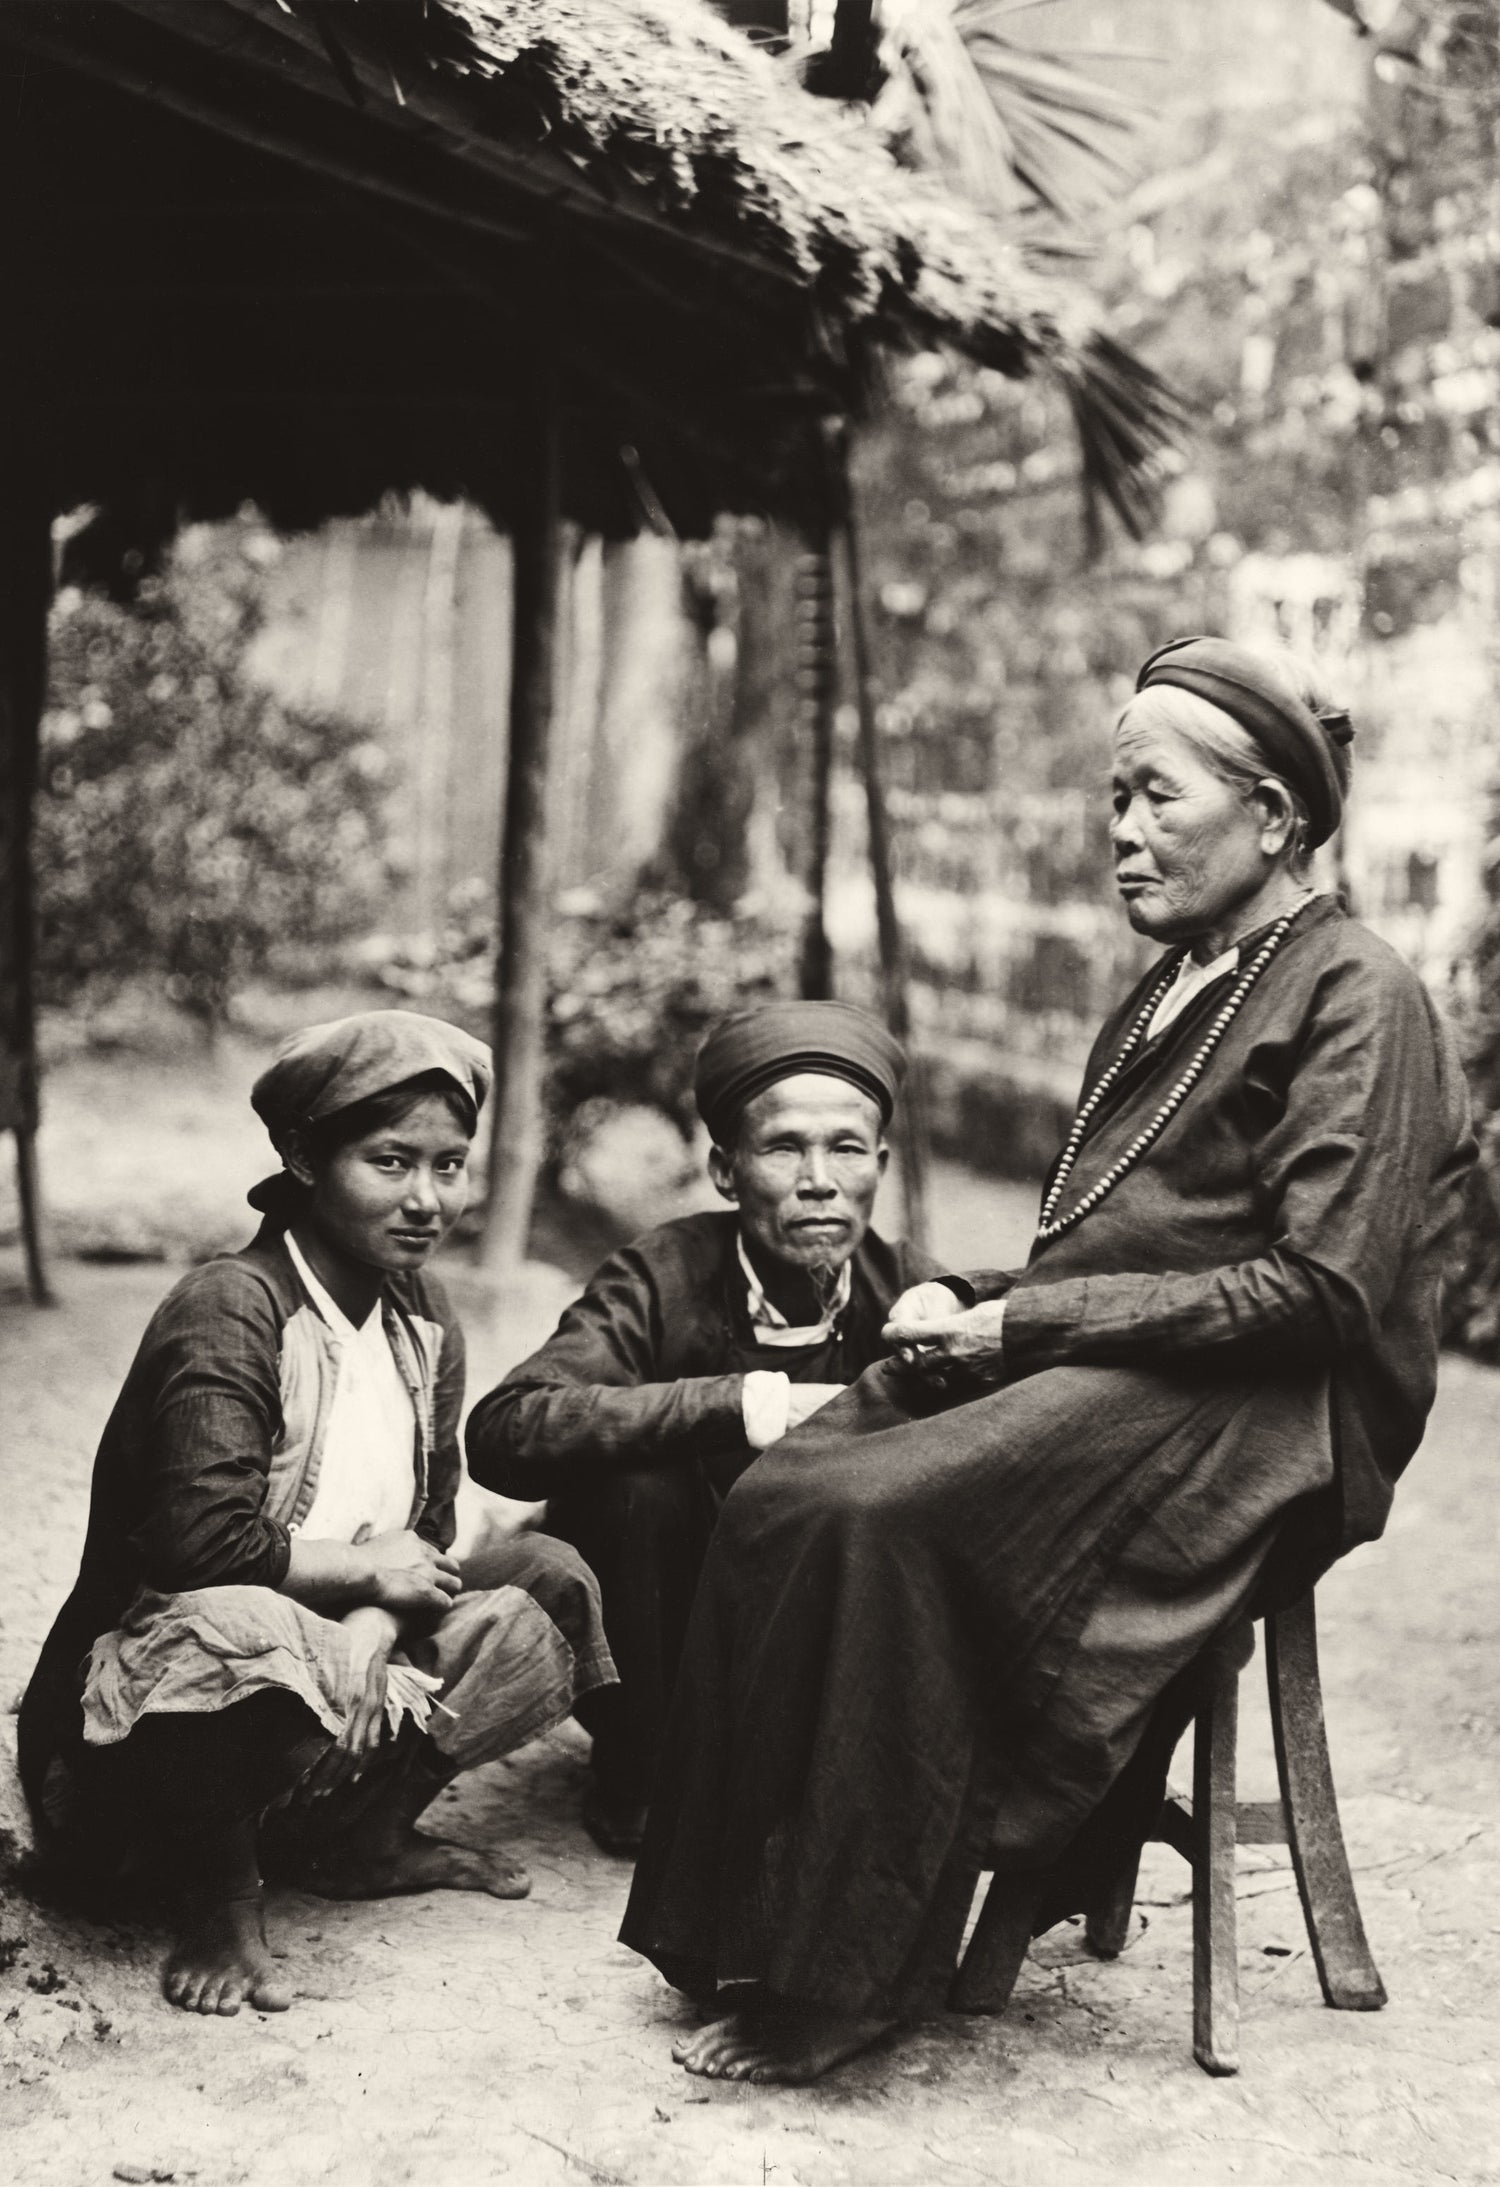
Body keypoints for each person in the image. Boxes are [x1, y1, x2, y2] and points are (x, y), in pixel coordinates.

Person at [620, 636, 1476, 2084]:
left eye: (1155, 798)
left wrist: (1027, 1324)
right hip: (1149, 1364)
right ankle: (743, 1926)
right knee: (793, 1481)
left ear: (1272, 818)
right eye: (1112, 800)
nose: (1122, 833)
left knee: (877, 1515)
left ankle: (849, 1977)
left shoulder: (1358, 993)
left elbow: (1322, 1289)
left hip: (1273, 1413)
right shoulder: (1162, 991)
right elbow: (1122, 1246)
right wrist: (983, 1294)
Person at [18, 1010, 616, 2018]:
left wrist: (379, 1619)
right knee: (243, 1624)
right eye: (390, 1162)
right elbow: (196, 1549)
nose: (427, 1199)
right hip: (141, 1748)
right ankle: (219, 1895)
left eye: (449, 1165)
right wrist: (360, 1579)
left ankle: (363, 1835)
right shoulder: (231, 1307)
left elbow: (424, 1530)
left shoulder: (420, 1314)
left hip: (328, 1678)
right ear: (303, 1155)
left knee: (546, 1576)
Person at [466, 1000, 947, 1854]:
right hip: (667, 1639)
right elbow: (508, 1428)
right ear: (727, 1172)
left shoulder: (906, 1288)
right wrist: (739, 1404)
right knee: (636, 1480)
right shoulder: (661, 1274)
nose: (818, 1180)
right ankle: (642, 1778)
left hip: (814, 1631)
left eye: (845, 1148)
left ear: (878, 1163)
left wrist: (962, 1310)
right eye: (783, 1147)